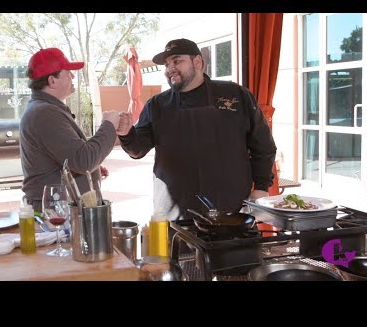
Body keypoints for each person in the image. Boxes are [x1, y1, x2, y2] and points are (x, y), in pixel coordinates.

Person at [117, 38, 277, 221]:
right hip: (175, 214)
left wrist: (261, 187)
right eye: (167, 64)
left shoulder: (236, 95)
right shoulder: (157, 105)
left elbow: (263, 145)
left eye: (177, 61)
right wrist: (126, 133)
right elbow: (138, 149)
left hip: (232, 211)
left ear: (198, 62)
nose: (170, 69)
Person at [20, 47, 120, 212]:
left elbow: (69, 158)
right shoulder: (45, 113)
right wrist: (109, 125)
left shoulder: (45, 109)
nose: (72, 76)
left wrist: (89, 172)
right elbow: (83, 160)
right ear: (52, 81)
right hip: (54, 212)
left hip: (57, 207)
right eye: (68, 73)